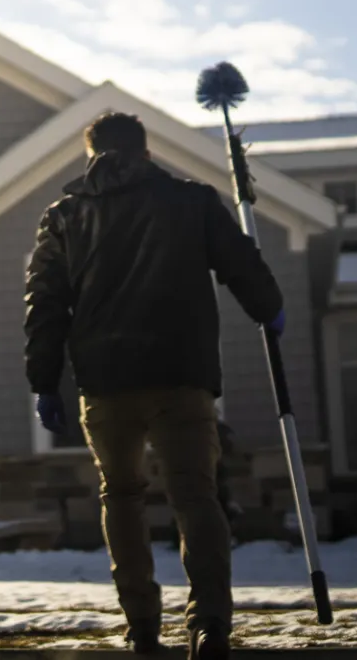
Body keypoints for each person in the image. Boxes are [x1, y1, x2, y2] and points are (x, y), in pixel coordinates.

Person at [24, 111, 285, 658]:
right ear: (146, 153)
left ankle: (142, 626)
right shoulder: (191, 202)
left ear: (90, 156)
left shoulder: (65, 216)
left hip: (105, 380)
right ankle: (210, 623)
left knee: (120, 495)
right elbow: (241, 262)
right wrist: (269, 308)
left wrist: (44, 381)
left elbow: (45, 303)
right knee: (196, 495)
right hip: (180, 374)